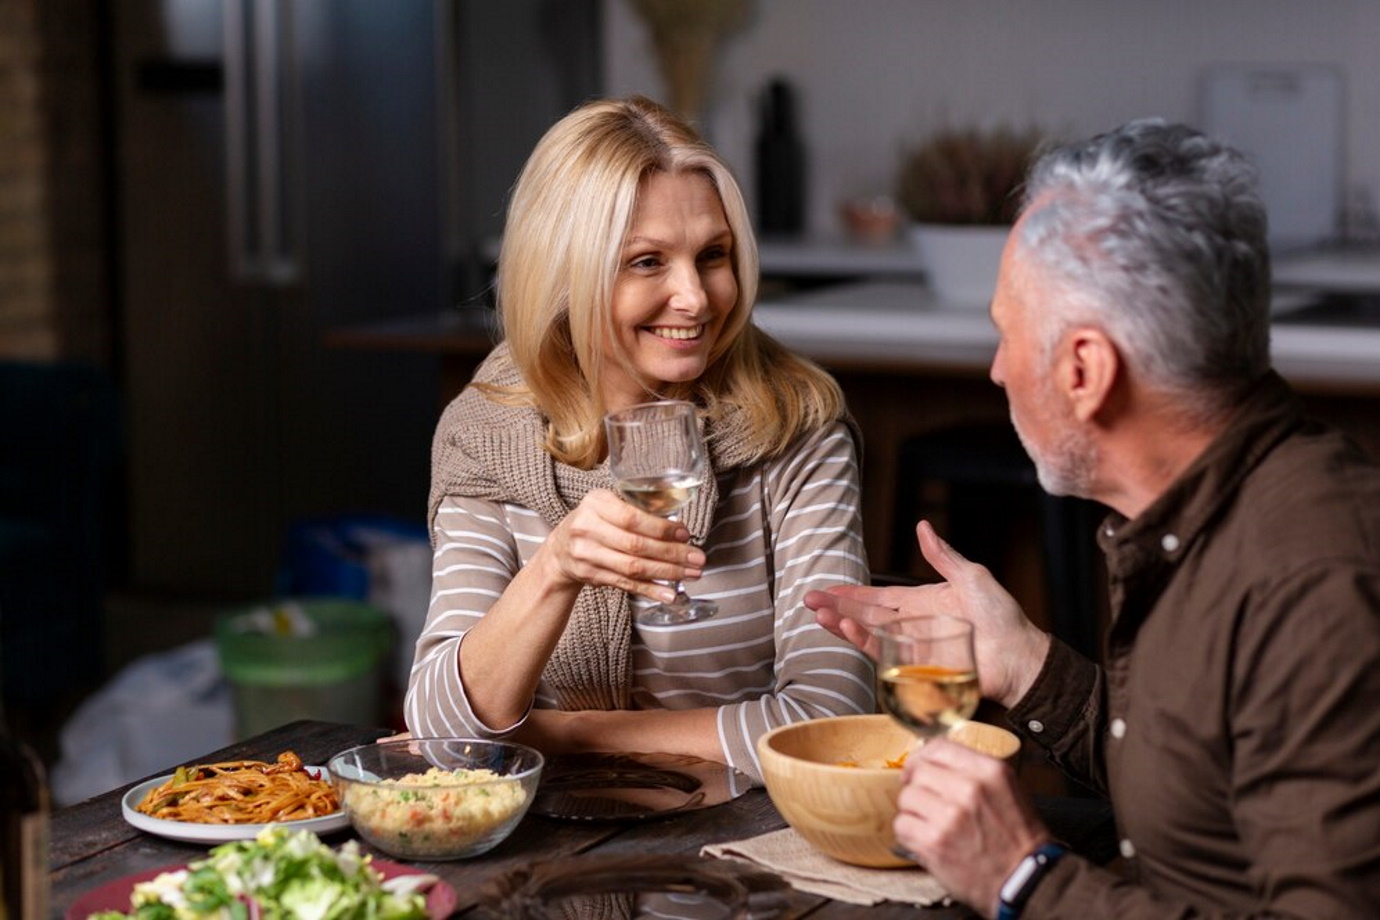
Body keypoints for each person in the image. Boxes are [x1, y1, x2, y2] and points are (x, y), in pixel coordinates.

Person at [807, 119, 1380, 918]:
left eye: (1007, 335)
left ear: (1085, 370)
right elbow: (1205, 790)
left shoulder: (1311, 586)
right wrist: (1028, 667)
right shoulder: (1206, 516)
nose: (996, 370)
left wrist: (1023, 878)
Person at [405, 95, 874, 784]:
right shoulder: (485, 435)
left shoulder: (794, 423)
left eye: (712, 255)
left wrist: (569, 734)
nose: (697, 297)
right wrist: (555, 570)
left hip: (750, 833)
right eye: (647, 261)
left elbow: (831, 725)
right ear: (564, 273)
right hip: (548, 837)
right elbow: (441, 731)